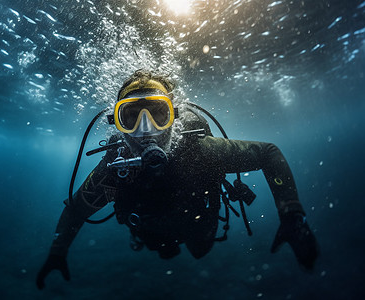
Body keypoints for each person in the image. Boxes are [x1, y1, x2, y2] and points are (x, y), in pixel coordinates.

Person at [36, 69, 319, 289]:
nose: (146, 130)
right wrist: (57, 252)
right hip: (153, 235)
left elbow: (268, 153)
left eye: (159, 114)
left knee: (200, 251)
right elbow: (75, 210)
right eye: (131, 117)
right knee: (164, 250)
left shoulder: (202, 152)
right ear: (118, 124)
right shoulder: (115, 169)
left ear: (175, 117)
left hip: (199, 230)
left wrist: (291, 214)